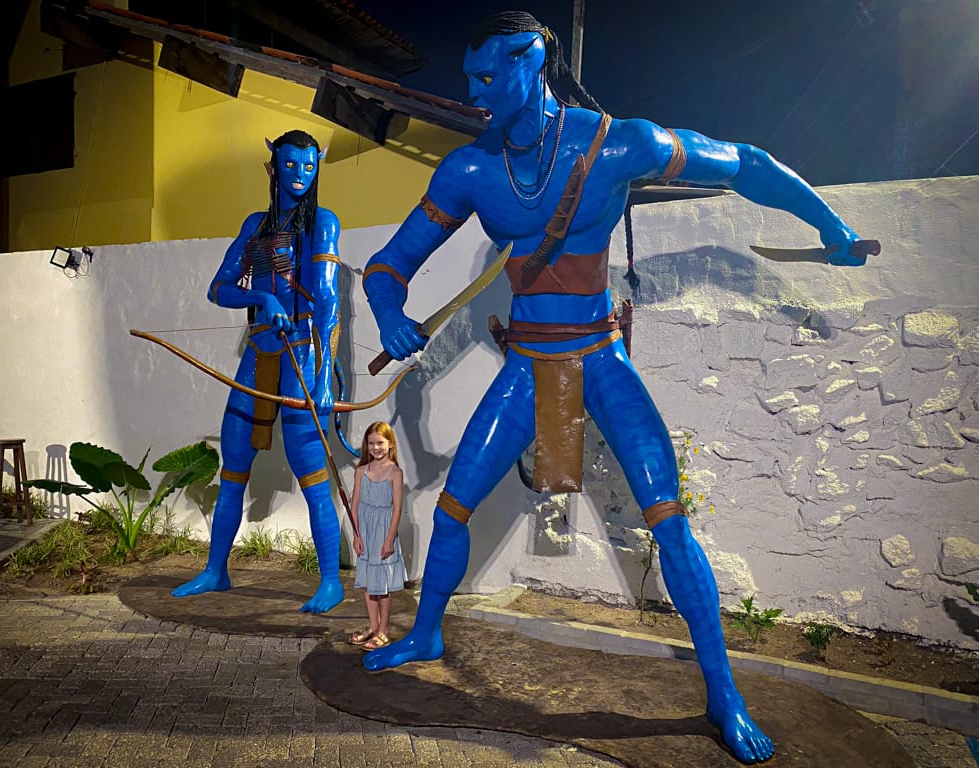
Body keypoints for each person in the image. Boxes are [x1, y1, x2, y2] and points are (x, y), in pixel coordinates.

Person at [360, 11, 878, 764]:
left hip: (600, 361)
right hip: (527, 363)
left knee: (669, 523)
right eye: (468, 76)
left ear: (531, 57)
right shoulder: (469, 170)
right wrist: (389, 313)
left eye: (486, 75)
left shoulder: (618, 145)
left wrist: (831, 227)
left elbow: (745, 162)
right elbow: (386, 267)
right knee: (451, 512)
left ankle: (722, 693)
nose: (471, 91)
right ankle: (428, 630)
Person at [171, 129, 345, 614]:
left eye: (309, 167)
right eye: (290, 166)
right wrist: (262, 297)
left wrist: (323, 375)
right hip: (258, 354)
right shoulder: (255, 225)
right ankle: (215, 569)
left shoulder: (323, 224)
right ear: (273, 168)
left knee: (311, 472)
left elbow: (328, 299)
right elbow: (219, 288)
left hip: (301, 354)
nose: (300, 176)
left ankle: (330, 581)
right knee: (234, 469)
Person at [347, 422, 408, 651]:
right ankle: (373, 626)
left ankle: (384, 630)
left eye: (380, 443)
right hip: (365, 531)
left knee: (382, 585)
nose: (376, 447)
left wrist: (390, 538)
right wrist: (356, 534)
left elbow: (397, 509)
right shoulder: (361, 471)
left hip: (383, 532)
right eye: (371, 443)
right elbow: (354, 505)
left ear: (390, 445)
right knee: (369, 584)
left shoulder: (395, 472)